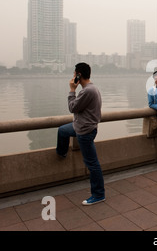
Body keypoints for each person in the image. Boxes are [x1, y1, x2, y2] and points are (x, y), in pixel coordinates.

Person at [56, 62, 105, 206]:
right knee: (62, 131)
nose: (73, 77)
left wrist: (72, 90)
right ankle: (62, 153)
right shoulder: (92, 88)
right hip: (80, 126)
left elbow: (72, 107)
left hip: (84, 131)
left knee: (92, 164)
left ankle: (98, 194)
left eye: (74, 74)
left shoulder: (87, 91)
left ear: (79, 75)